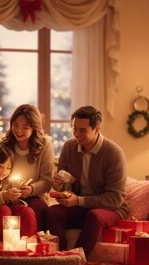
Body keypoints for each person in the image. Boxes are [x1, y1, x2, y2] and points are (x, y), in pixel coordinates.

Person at [45, 106, 129, 256]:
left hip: (110, 210)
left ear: (96, 129)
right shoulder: (69, 147)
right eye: (74, 128)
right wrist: (59, 186)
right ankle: (58, 257)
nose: (77, 134)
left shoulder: (114, 153)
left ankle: (75, 260)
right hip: (80, 207)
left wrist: (78, 201)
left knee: (94, 216)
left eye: (82, 130)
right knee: (53, 212)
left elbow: (115, 199)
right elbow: (66, 187)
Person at [0, 104, 54, 230]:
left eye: (25, 127)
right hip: (9, 195)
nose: (18, 131)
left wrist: (32, 189)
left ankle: (36, 246)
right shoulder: (5, 144)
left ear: (34, 128)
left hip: (35, 196)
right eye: (15, 125)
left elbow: (47, 181)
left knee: (39, 210)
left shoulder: (45, 145)